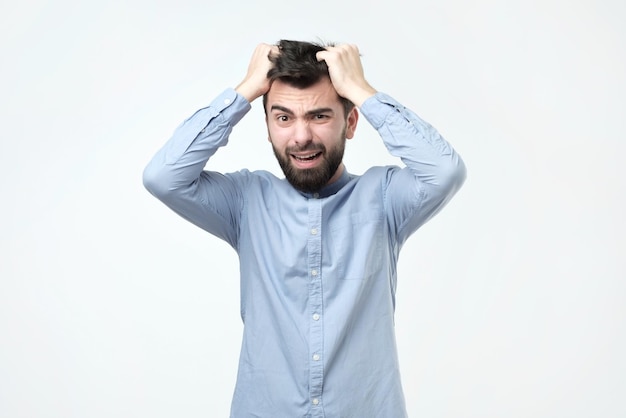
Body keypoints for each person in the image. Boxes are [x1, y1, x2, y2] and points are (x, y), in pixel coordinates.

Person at [143, 39, 466, 418]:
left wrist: (361, 92)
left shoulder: (385, 197)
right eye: (283, 118)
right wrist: (244, 91)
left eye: (319, 116)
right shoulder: (245, 201)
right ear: (266, 127)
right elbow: (163, 177)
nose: (301, 137)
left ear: (350, 122)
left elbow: (444, 171)